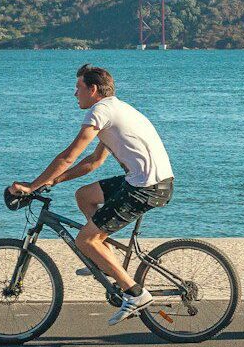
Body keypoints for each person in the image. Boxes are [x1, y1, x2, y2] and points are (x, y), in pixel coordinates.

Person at [10, 64, 175, 324]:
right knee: (84, 196)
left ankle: (135, 293)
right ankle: (105, 255)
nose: (75, 94)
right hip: (148, 180)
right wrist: (56, 180)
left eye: (78, 88)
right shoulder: (115, 109)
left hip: (146, 186)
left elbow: (69, 156)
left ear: (93, 89)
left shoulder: (101, 111)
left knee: (85, 241)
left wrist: (32, 186)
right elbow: (94, 161)